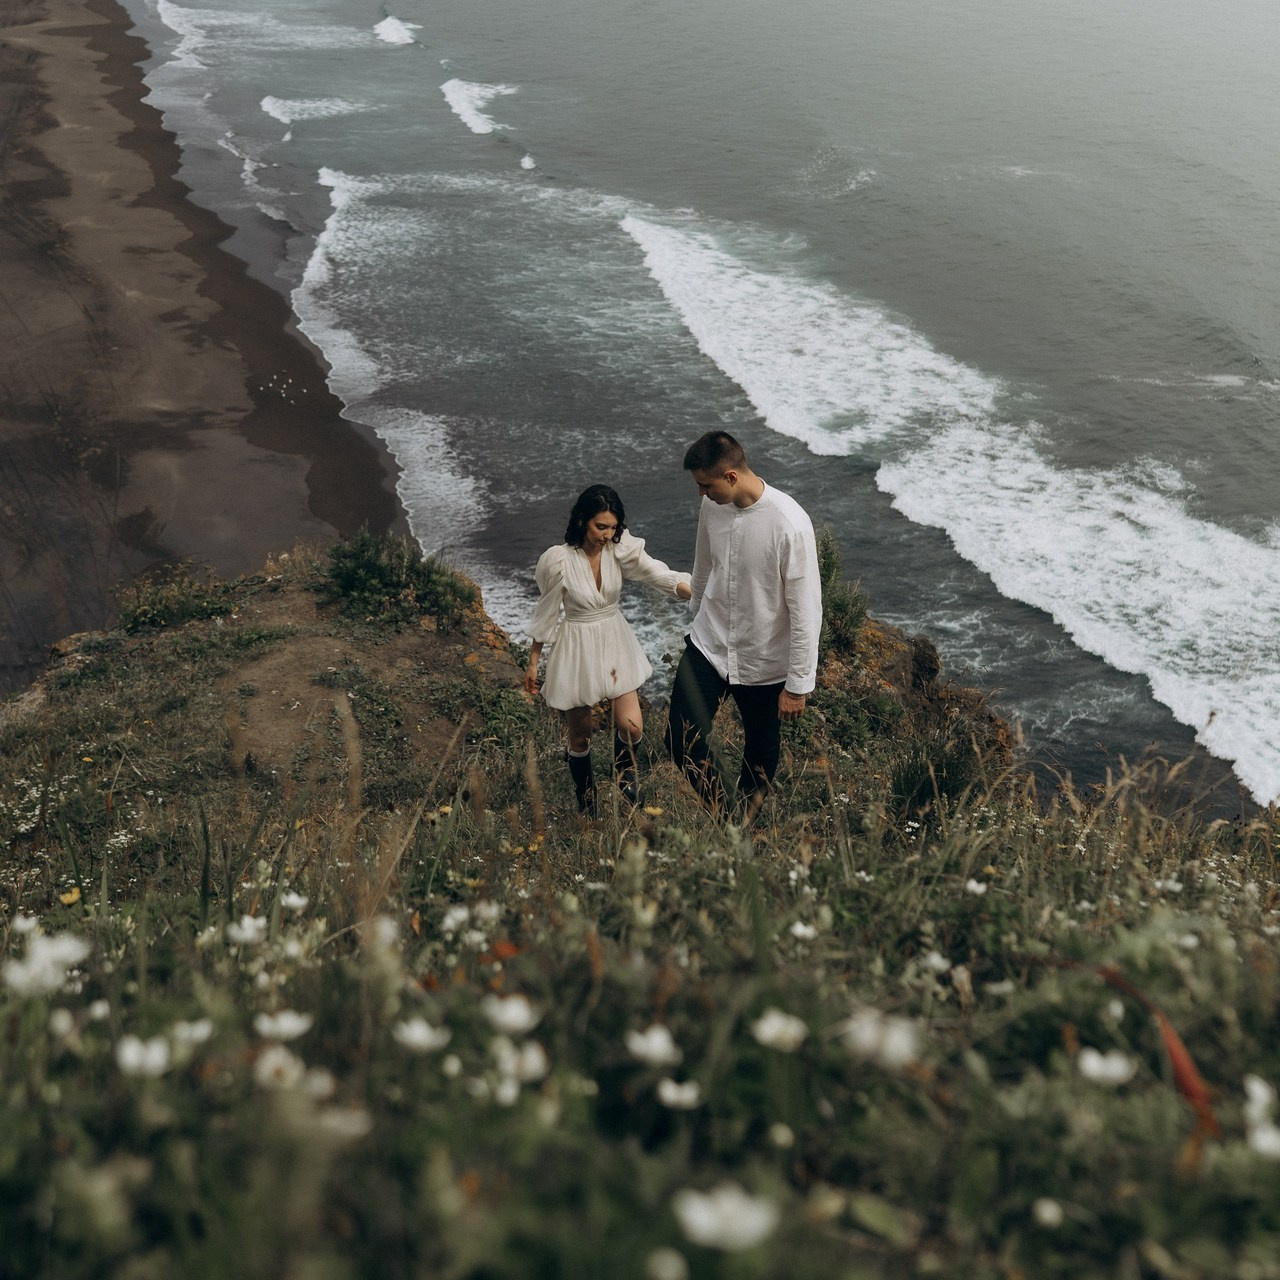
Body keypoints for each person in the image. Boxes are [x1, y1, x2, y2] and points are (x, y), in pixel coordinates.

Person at [664, 431, 822, 822]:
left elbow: (806, 609)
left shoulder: (791, 525)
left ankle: (744, 828)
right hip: (710, 643)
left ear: (731, 477)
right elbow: (703, 569)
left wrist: (798, 685)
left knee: (761, 751)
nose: (701, 494)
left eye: (706, 485)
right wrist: (697, 615)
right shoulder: (711, 508)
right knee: (680, 740)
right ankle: (726, 817)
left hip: (763, 657)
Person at [525, 485, 692, 815]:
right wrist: (534, 662)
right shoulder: (558, 560)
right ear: (582, 521)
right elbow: (546, 611)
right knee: (581, 736)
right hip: (577, 643)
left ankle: (625, 782)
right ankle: (586, 801)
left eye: (613, 527)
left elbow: (653, 571)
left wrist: (686, 588)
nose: (607, 534)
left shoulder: (619, 549)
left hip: (614, 637)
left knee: (632, 726)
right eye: (601, 527)